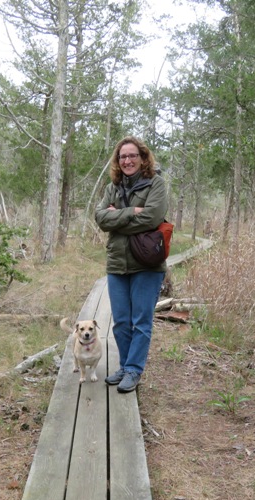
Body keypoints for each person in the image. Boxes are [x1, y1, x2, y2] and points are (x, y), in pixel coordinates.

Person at [94, 136, 168, 393]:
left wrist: (118, 216)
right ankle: (125, 366)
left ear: (143, 157)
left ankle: (134, 370)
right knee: (122, 321)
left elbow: (152, 218)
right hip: (117, 263)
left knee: (141, 321)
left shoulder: (155, 184)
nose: (127, 160)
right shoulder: (112, 187)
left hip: (146, 263)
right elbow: (101, 218)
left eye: (132, 155)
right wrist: (130, 213)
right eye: (122, 157)